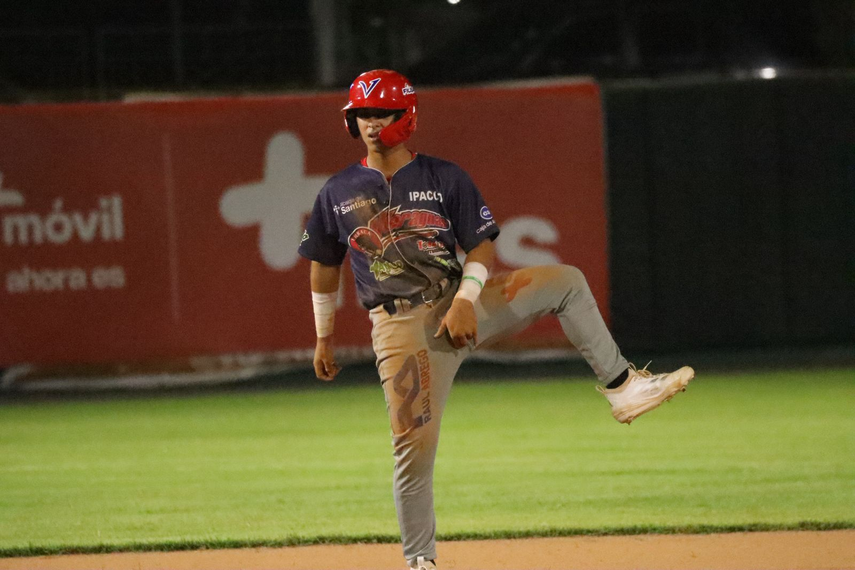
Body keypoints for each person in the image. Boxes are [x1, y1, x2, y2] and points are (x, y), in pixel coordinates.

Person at [298, 69, 694, 570]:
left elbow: (481, 243)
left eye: (382, 114)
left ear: (406, 117)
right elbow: (323, 263)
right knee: (413, 452)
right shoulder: (337, 191)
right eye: (363, 115)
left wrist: (466, 298)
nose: (372, 124)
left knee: (566, 281)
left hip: (461, 302)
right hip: (401, 328)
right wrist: (324, 337)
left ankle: (623, 388)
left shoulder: (444, 176)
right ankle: (420, 561)